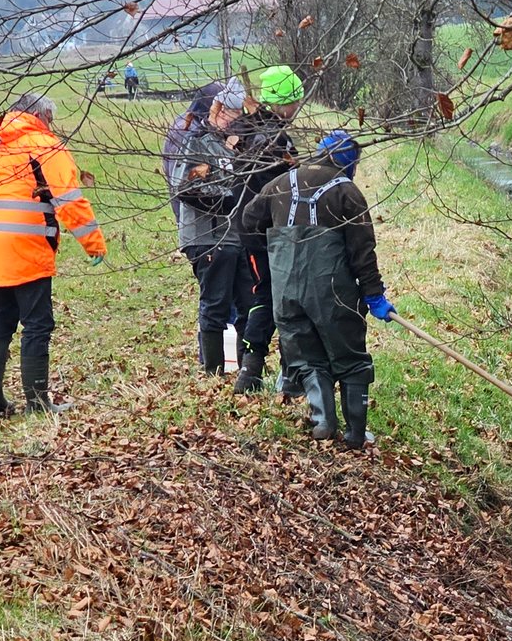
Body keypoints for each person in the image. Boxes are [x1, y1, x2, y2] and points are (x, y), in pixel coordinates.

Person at [0, 93, 106, 416]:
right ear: (42, 116)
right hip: (29, 248)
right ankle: (37, 403)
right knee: (37, 324)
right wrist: (93, 243)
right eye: (50, 119)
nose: (52, 125)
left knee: (3, 316)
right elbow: (69, 199)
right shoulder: (45, 146)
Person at [237, 130, 394, 447]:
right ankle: (354, 433)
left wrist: (272, 255)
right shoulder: (346, 192)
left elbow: (248, 218)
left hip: (286, 291)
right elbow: (363, 252)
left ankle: (323, 421)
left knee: (306, 357)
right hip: (332, 292)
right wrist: (374, 294)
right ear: (348, 161)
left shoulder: (281, 183)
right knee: (350, 358)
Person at [231, 64, 305, 394]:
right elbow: (280, 189)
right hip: (266, 233)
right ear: (281, 101)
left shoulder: (250, 129)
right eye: (294, 102)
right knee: (268, 295)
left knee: (271, 294)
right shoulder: (270, 139)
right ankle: (251, 370)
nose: (297, 109)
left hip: (256, 229)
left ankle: (258, 370)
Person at [167, 78, 249, 374]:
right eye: (228, 112)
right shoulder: (196, 141)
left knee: (248, 305)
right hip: (208, 237)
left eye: (237, 115)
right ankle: (212, 372)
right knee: (215, 304)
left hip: (234, 237)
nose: (232, 120)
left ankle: (247, 370)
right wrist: (226, 203)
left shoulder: (233, 145)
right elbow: (183, 189)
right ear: (216, 108)